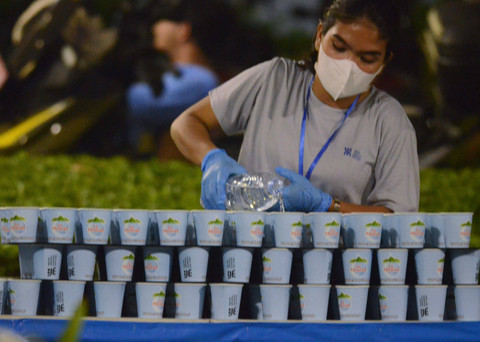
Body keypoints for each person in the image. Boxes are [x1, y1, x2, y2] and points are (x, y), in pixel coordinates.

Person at [171, 0, 419, 213]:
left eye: (367, 58)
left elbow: (397, 218)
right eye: (339, 47)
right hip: (248, 251)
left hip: (337, 262)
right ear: (320, 35)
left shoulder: (388, 120)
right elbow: (187, 123)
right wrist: (212, 159)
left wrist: (327, 205)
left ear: (385, 61)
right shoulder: (275, 80)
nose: (348, 64)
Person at [126, 0, 234, 157]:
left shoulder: (202, 80)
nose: (155, 26)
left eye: (161, 19)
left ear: (184, 30)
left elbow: (137, 102)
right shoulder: (183, 75)